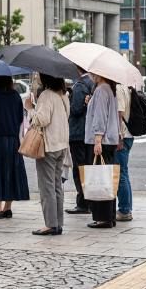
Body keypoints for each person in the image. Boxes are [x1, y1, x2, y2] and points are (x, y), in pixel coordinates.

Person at [25, 73, 70, 236]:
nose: (37, 76)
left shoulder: (46, 95)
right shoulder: (63, 95)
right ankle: (57, 223)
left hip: (48, 145)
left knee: (47, 186)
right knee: (57, 185)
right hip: (61, 144)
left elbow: (42, 120)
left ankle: (50, 224)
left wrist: (30, 109)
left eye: (38, 74)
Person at [0, 75, 30, 219]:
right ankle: (8, 208)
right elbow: (20, 117)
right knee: (10, 171)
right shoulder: (15, 95)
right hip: (12, 138)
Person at [85, 73, 121, 229]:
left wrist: (97, 139)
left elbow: (100, 116)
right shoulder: (110, 89)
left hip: (101, 140)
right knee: (107, 179)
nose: (90, 75)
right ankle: (109, 216)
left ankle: (102, 218)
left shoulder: (101, 90)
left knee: (99, 179)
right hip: (109, 140)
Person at [66, 65, 94, 215]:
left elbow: (76, 109)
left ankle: (82, 203)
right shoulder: (92, 83)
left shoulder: (79, 86)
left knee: (79, 168)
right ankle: (90, 201)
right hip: (88, 132)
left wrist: (68, 102)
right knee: (87, 167)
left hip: (77, 132)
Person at [115, 84, 134, 222]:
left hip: (122, 136)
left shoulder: (118, 89)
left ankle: (124, 210)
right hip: (127, 135)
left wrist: (118, 135)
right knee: (124, 173)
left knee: (120, 174)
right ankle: (126, 208)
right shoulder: (125, 88)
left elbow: (119, 113)